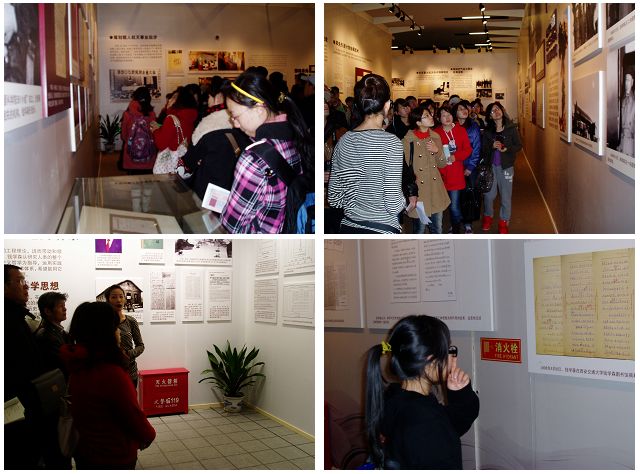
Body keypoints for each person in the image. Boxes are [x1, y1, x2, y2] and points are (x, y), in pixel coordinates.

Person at [365, 315, 479, 469]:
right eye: (448, 350)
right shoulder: (425, 421)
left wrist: (460, 394)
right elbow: (440, 430)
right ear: (430, 361)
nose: (452, 358)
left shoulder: (395, 399)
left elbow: (451, 424)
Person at [60, 302, 156, 469]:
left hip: (85, 450)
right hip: (113, 453)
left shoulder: (78, 364)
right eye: (115, 327)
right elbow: (133, 416)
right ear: (104, 333)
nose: (118, 332)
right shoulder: (111, 373)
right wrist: (148, 435)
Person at [220, 71, 313, 233]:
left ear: (259, 109)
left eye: (235, 116)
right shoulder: (296, 134)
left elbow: (231, 225)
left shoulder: (253, 158)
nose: (234, 124)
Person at [328, 73, 405, 233]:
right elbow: (393, 205)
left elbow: (334, 199)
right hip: (381, 228)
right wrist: (405, 201)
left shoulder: (343, 141)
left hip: (348, 227)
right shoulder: (392, 143)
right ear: (387, 105)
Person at [4, 264, 46, 469]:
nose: (26, 285)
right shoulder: (7, 320)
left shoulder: (17, 316)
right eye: (20, 281)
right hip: (14, 409)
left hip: (25, 405)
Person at [181, 86, 252, 200]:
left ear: (218, 98)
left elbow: (190, 160)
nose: (207, 101)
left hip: (209, 190)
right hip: (235, 189)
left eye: (209, 97)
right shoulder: (245, 127)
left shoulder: (206, 128)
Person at [34, 291, 73, 469]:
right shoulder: (47, 336)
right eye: (60, 306)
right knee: (56, 443)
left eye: (64, 305)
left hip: (59, 393)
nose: (65, 309)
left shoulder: (57, 331)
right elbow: (64, 364)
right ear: (47, 311)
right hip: (54, 396)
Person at [403, 104, 450, 234]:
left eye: (430, 114)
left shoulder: (435, 137)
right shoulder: (407, 141)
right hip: (419, 192)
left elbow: (442, 164)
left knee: (437, 228)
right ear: (418, 122)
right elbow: (405, 170)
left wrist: (437, 151)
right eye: (426, 116)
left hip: (435, 190)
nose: (431, 117)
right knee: (419, 229)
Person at [481, 102, 522, 234]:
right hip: (491, 167)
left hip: (506, 167)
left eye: (498, 109)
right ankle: (488, 215)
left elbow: (518, 145)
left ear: (502, 110)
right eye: (493, 111)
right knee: (489, 195)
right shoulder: (487, 132)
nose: (496, 112)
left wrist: (507, 149)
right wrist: (491, 146)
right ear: (490, 116)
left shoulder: (511, 128)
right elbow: (483, 149)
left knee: (505, 196)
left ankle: (504, 221)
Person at [434, 107, 472, 233]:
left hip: (456, 174)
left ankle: (456, 230)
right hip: (440, 175)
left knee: (454, 206)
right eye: (444, 115)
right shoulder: (435, 133)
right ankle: (457, 223)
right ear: (439, 118)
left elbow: (468, 150)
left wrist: (456, 157)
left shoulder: (460, 130)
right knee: (444, 206)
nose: (447, 117)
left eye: (449, 114)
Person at [104, 285, 145, 388]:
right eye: (114, 297)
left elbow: (140, 346)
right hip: (110, 372)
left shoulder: (131, 321)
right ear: (108, 300)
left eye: (121, 296)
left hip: (130, 372)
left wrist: (128, 354)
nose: (118, 300)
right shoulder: (103, 322)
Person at [453, 101, 482, 233]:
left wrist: (470, 167)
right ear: (455, 112)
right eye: (460, 109)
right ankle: (456, 222)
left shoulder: (473, 126)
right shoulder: (451, 126)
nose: (464, 110)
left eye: (465, 108)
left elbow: (476, 148)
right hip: (454, 167)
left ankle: (468, 223)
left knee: (468, 195)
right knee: (455, 197)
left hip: (469, 167)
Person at [120, 87, 157, 174]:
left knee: (132, 180)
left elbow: (123, 136)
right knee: (148, 180)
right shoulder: (152, 114)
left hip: (131, 155)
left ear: (135, 97)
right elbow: (155, 133)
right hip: (148, 155)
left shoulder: (127, 114)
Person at [151, 87, 198, 155]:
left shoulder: (171, 119)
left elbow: (161, 144)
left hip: (171, 158)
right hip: (183, 156)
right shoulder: (189, 117)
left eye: (173, 98)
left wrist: (155, 130)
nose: (169, 100)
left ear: (180, 101)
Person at [617, 73, 634, 157]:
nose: (626, 83)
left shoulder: (634, 101)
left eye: (628, 80)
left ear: (632, 82)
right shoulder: (622, 100)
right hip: (622, 140)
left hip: (630, 142)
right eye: (625, 80)